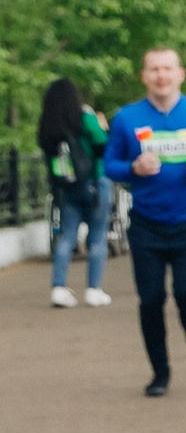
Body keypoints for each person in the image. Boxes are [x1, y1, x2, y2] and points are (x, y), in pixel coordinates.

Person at [103, 47, 186, 396]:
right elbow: (109, 165)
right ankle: (160, 372)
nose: (161, 75)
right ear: (144, 76)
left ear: (180, 74)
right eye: (154, 69)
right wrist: (133, 168)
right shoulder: (127, 117)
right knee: (150, 300)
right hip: (146, 224)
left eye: (167, 68)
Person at [40, 76, 114, 308]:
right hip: (94, 182)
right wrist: (103, 127)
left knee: (67, 235)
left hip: (65, 187)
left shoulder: (47, 125)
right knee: (97, 236)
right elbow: (103, 146)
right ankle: (93, 290)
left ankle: (58, 287)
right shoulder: (85, 118)